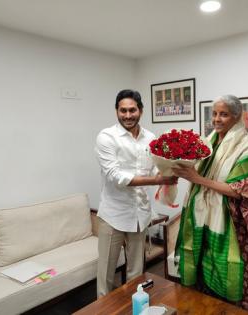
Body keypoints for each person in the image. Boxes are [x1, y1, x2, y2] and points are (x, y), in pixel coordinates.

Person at [172, 95, 248, 314]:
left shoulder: (245, 145)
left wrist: (197, 179)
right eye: (215, 113)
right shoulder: (209, 140)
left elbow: (241, 190)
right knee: (204, 267)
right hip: (205, 215)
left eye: (224, 114)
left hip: (232, 221)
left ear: (236, 116)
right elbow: (196, 170)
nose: (217, 119)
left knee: (232, 271)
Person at [95, 89, 177, 297]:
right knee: (105, 274)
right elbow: (116, 177)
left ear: (140, 111)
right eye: (123, 110)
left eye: (132, 110)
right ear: (116, 111)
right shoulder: (106, 137)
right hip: (113, 215)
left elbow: (154, 169)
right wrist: (157, 180)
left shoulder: (150, 138)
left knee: (136, 273)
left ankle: (134, 307)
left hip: (140, 215)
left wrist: (170, 171)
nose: (128, 115)